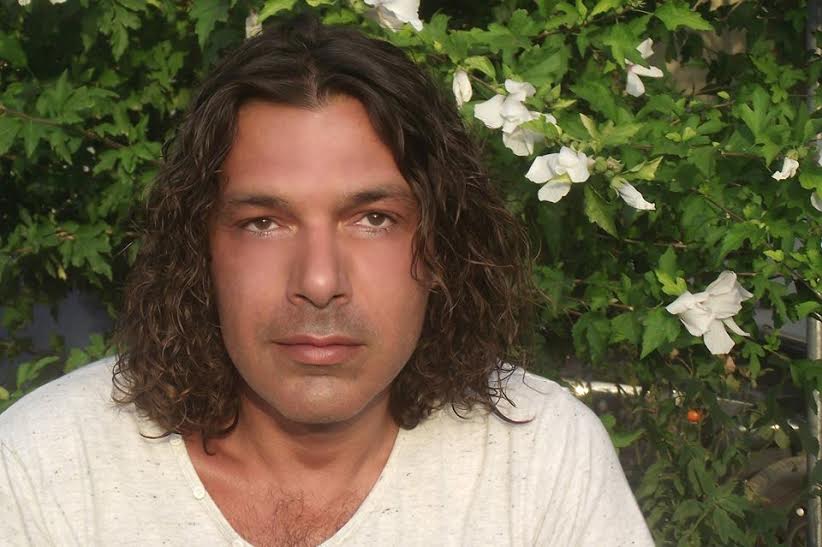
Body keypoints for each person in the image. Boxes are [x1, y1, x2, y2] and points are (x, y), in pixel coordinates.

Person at [0, 17, 653, 547]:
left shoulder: (540, 458)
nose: (318, 281)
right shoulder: (46, 468)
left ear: (443, 246)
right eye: (263, 222)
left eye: (374, 219)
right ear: (201, 249)